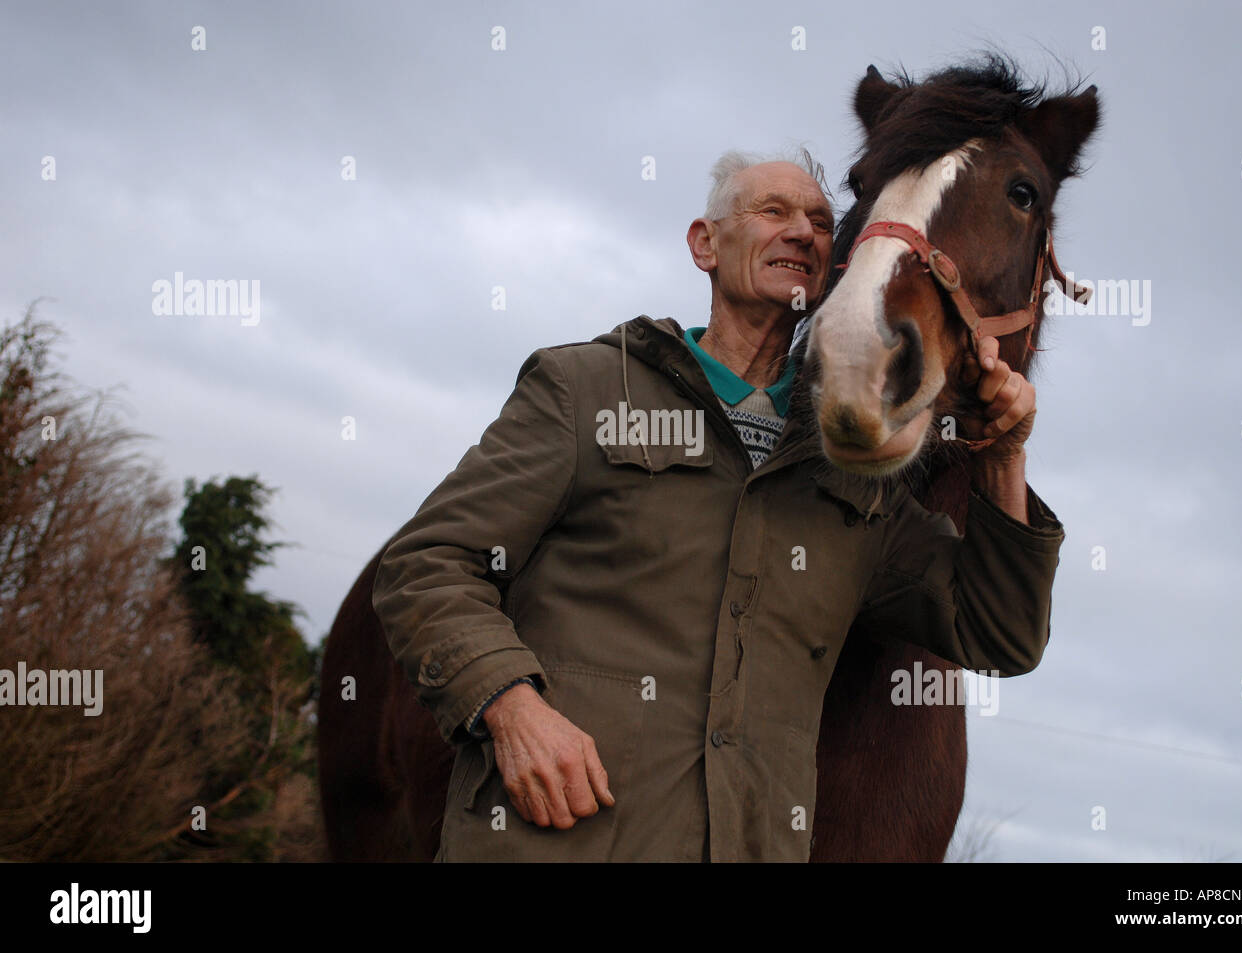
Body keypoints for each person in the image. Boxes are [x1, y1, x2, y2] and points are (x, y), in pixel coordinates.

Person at [371, 149, 1065, 862]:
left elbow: (1001, 632)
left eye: (822, 222)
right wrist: (510, 708)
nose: (801, 231)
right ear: (705, 244)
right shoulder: (585, 390)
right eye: (772, 211)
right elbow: (426, 564)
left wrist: (1004, 452)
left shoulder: (860, 486)